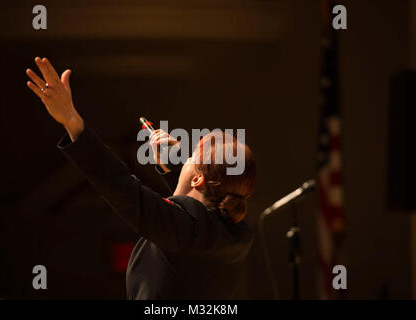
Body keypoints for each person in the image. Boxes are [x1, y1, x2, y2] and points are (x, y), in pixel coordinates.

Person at [26, 57, 256, 299]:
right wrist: (174, 164)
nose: (186, 158)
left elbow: (118, 183)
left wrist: (71, 120)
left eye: (191, 158)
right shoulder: (238, 234)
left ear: (198, 180)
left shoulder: (184, 229)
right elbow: (200, 206)